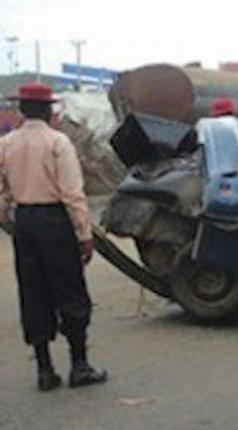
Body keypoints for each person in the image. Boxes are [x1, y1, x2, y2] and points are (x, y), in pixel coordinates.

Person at [0, 82, 107, 391]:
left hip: (26, 222)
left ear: (21, 110)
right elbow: (72, 193)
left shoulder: (7, 143)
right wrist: (84, 234)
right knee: (69, 288)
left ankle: (45, 370)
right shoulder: (57, 142)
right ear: (48, 110)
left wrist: (10, 212)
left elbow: (3, 190)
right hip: (55, 221)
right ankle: (79, 365)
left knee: (33, 291)